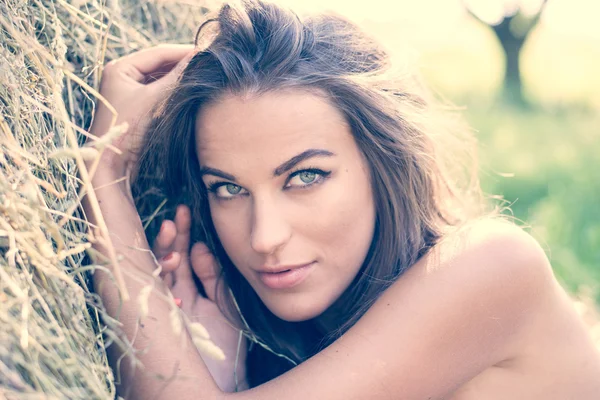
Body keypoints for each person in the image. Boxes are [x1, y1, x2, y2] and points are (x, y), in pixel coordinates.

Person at [85, 0, 600, 398]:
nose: (264, 237)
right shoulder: (302, 336)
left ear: (385, 163)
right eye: (229, 188)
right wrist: (226, 377)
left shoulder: (494, 267)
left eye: (306, 177)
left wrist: (102, 176)